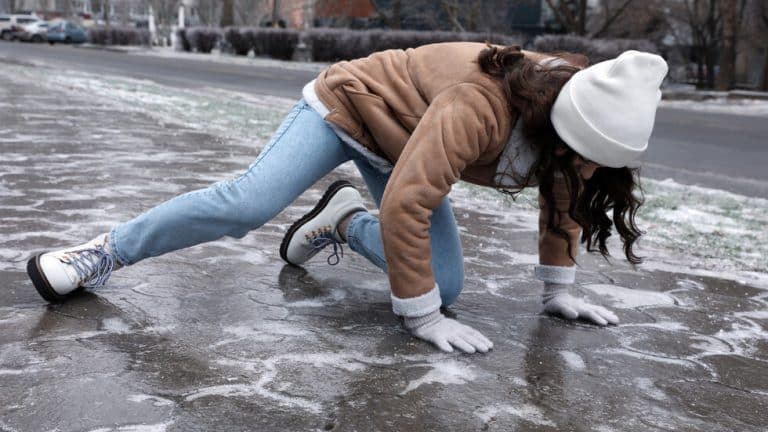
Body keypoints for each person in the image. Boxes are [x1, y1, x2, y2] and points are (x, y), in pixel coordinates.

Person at [26, 42, 668, 354]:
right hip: (350, 107)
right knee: (247, 204)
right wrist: (417, 321)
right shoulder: (484, 105)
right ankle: (102, 252)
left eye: (599, 163)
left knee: (441, 286)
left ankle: (340, 220)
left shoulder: (584, 121)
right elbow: (411, 203)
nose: (586, 169)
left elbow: (562, 192)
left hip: (408, 144)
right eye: (582, 153)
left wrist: (558, 291)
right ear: (559, 120)